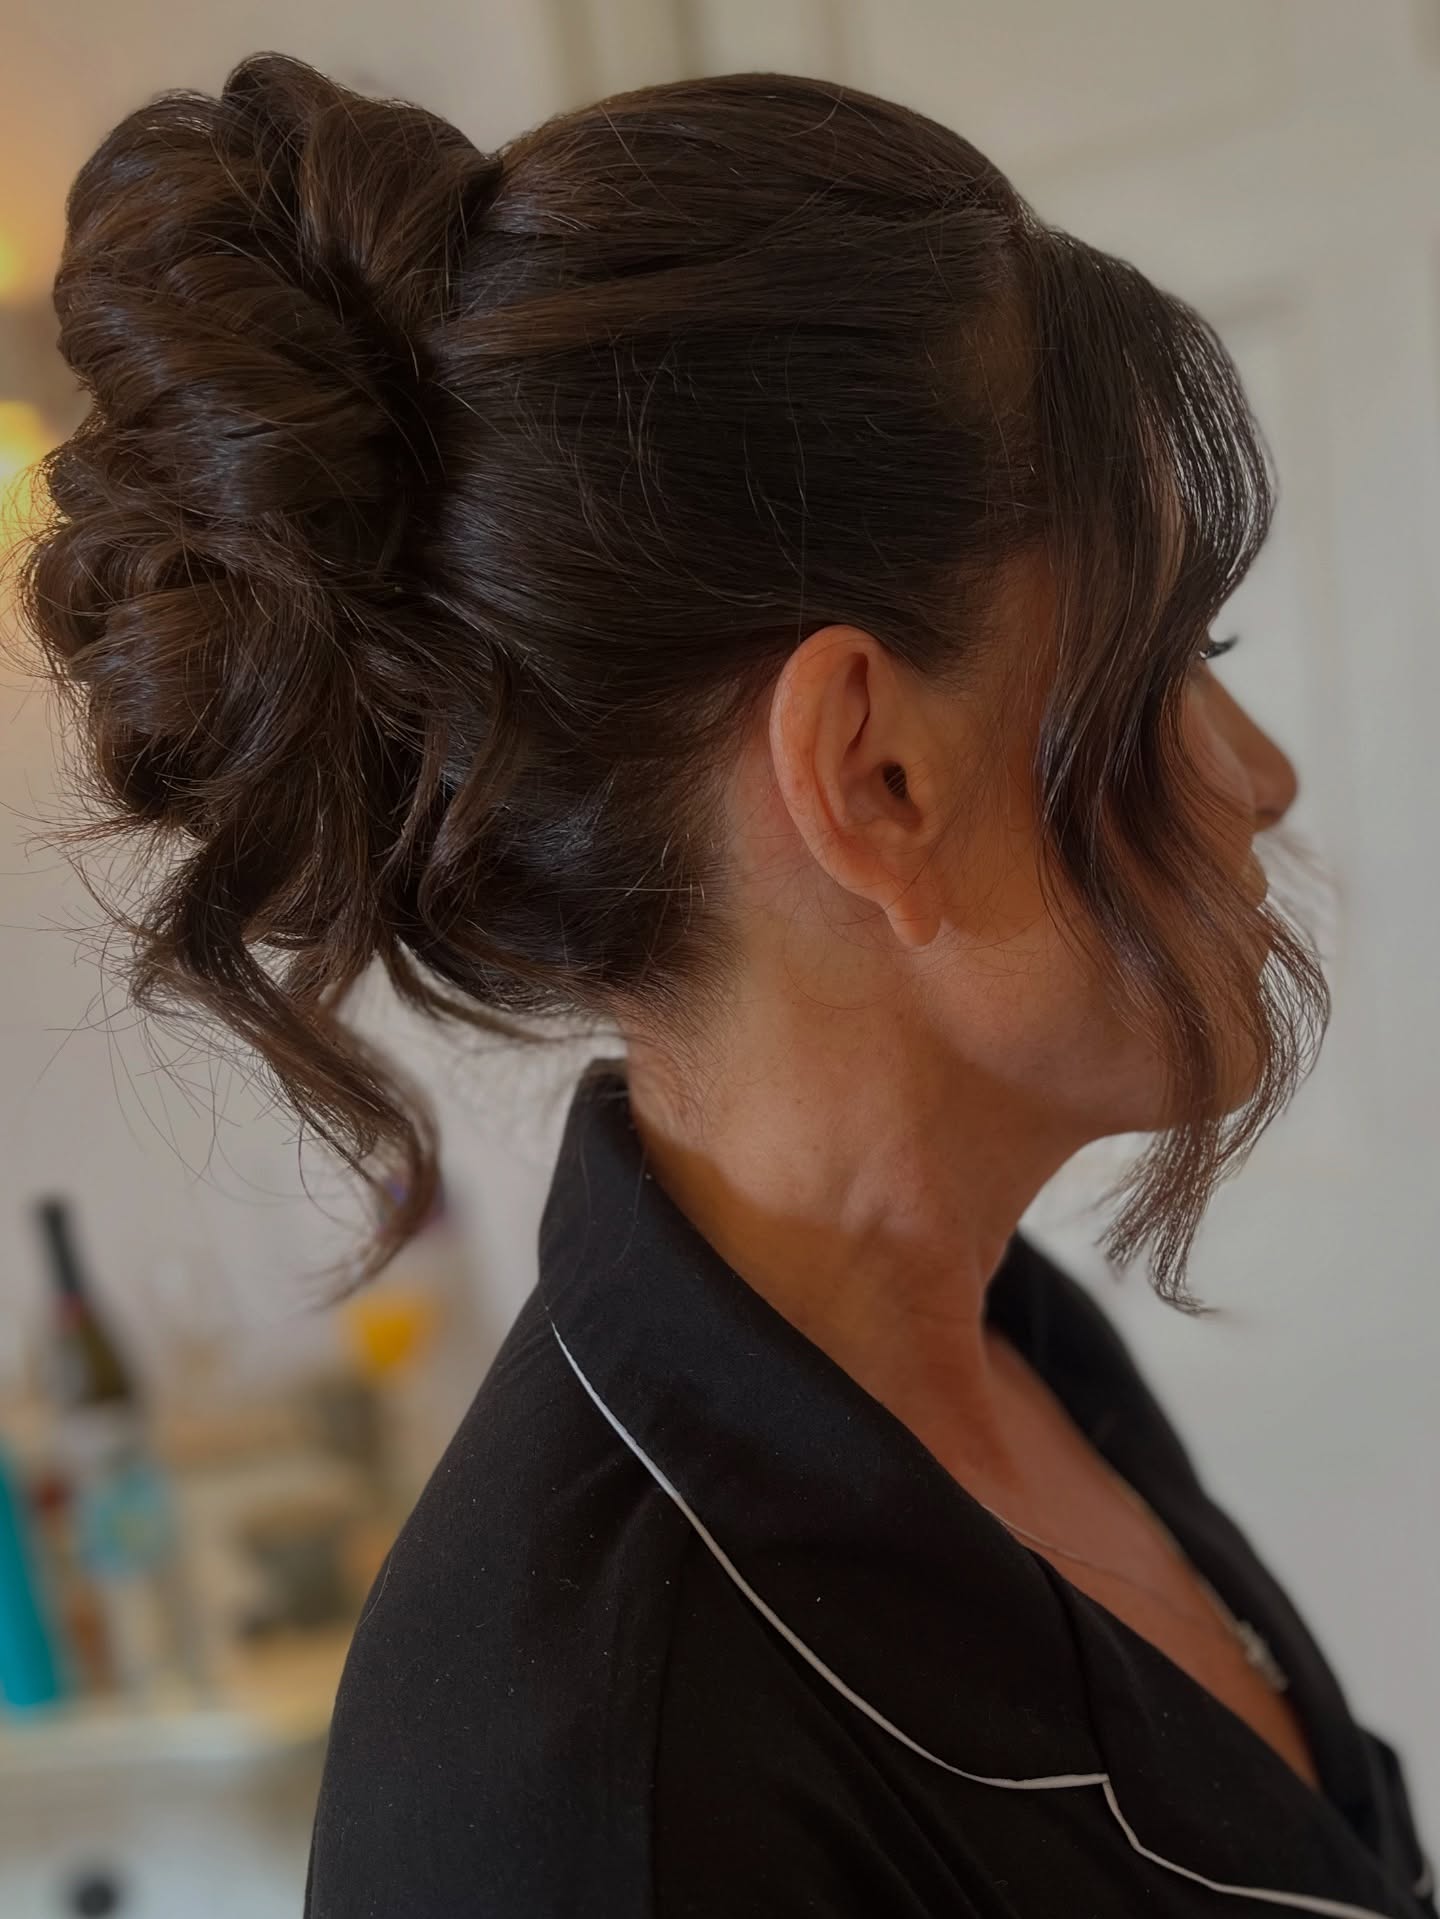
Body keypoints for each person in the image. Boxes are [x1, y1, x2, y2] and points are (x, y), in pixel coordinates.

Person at [13, 49, 1434, 1918]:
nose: (1264, 775)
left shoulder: (1018, 1367)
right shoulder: (585, 1797)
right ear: (872, 775)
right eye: (1175, 650)